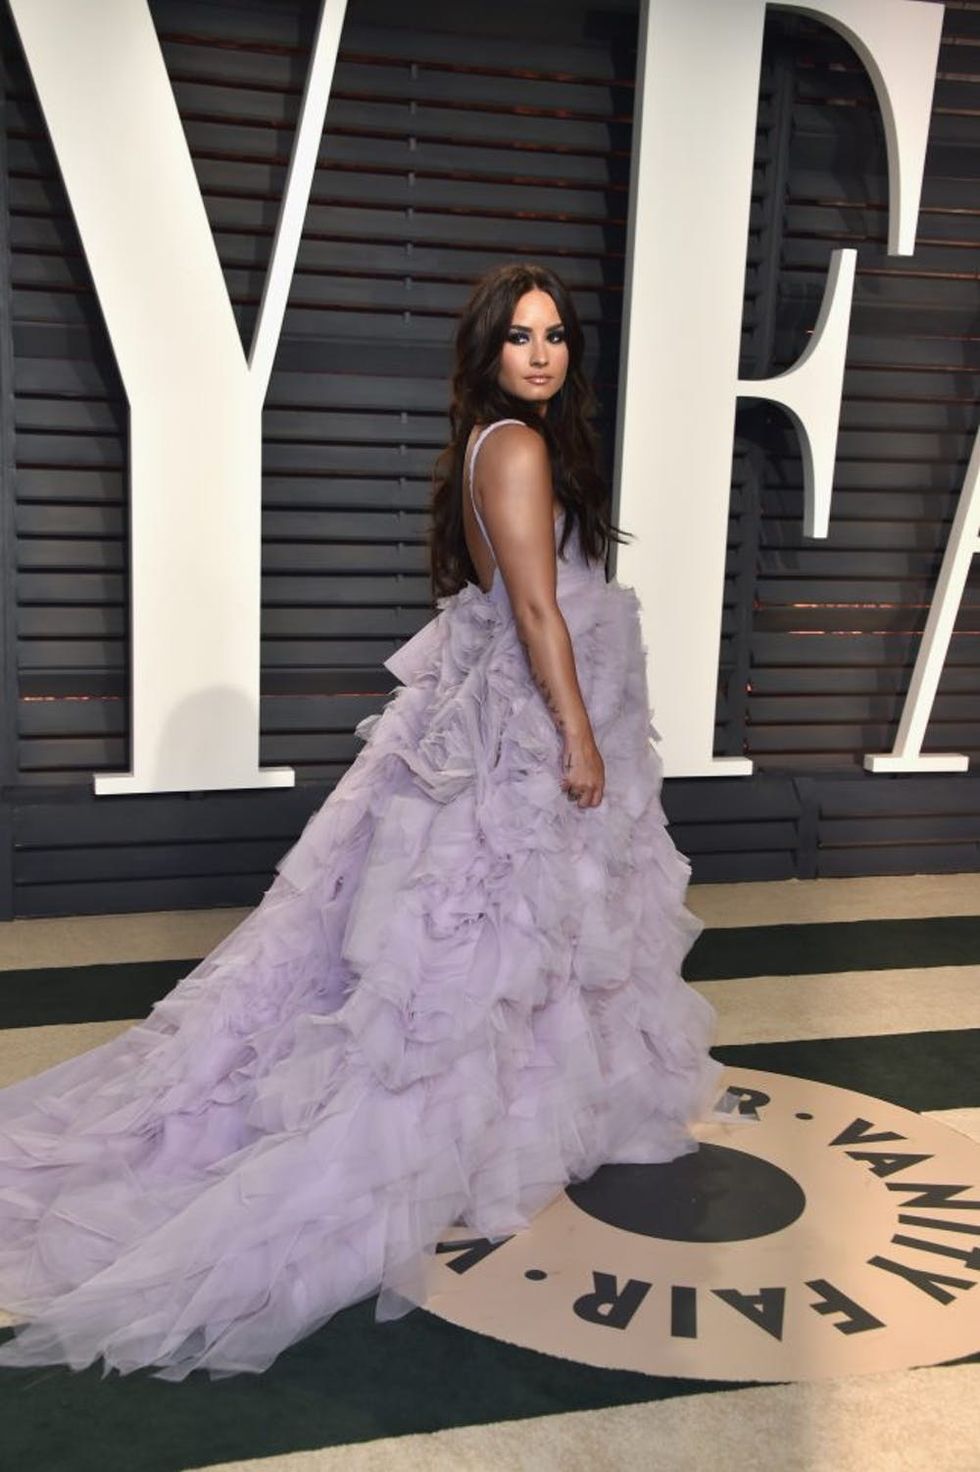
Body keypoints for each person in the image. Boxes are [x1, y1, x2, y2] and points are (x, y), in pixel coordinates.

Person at [0, 262, 723, 1382]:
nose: (540, 353)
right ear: (486, 351)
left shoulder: (493, 446)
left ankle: (505, 1120)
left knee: (498, 947)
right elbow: (535, 606)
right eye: (519, 336)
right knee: (486, 945)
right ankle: (439, 1139)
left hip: (492, 726)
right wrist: (579, 734)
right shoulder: (518, 449)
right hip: (525, 737)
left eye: (555, 336)